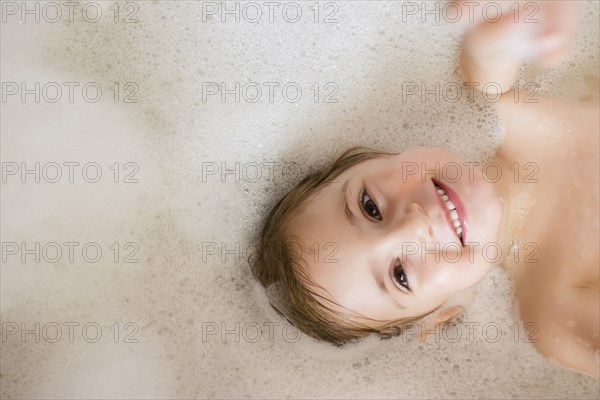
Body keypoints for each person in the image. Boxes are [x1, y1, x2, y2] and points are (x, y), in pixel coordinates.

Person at [250, 0, 599, 378]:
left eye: (369, 206)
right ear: (446, 311)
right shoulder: (551, 310)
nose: (413, 225)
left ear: (374, 156)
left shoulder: (494, 97)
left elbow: (496, 40)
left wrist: (529, 19)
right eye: (400, 275)